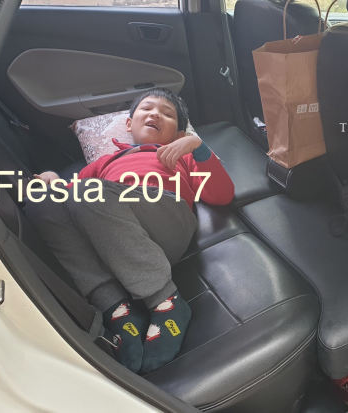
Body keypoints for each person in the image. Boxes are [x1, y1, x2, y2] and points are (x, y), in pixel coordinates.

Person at [24, 88, 234, 374]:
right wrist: (52, 179)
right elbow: (71, 198)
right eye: (146, 108)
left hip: (166, 219)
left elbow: (221, 194)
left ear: (177, 133)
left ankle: (165, 300)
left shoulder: (182, 155)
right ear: (128, 124)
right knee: (41, 202)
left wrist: (196, 146)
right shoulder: (104, 162)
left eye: (167, 114)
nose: (155, 114)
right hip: (115, 237)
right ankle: (116, 308)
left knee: (88, 191)